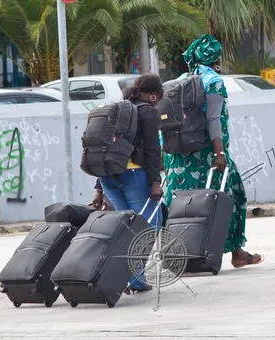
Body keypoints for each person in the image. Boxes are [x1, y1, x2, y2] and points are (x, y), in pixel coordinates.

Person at [162, 34, 263, 269]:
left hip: (177, 156)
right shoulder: (213, 81)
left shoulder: (178, 81)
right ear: (215, 58)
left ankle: (176, 254)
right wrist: (219, 152)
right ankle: (236, 252)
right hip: (207, 154)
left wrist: (163, 154)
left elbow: (165, 122)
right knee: (231, 196)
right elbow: (213, 119)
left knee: (179, 204)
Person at [97, 73, 165, 292]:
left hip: (107, 176)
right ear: (153, 96)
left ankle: (123, 277)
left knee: (125, 228)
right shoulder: (148, 112)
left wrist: (98, 188)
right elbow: (153, 149)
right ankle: (134, 279)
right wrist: (156, 181)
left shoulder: (119, 108)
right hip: (133, 175)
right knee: (148, 225)